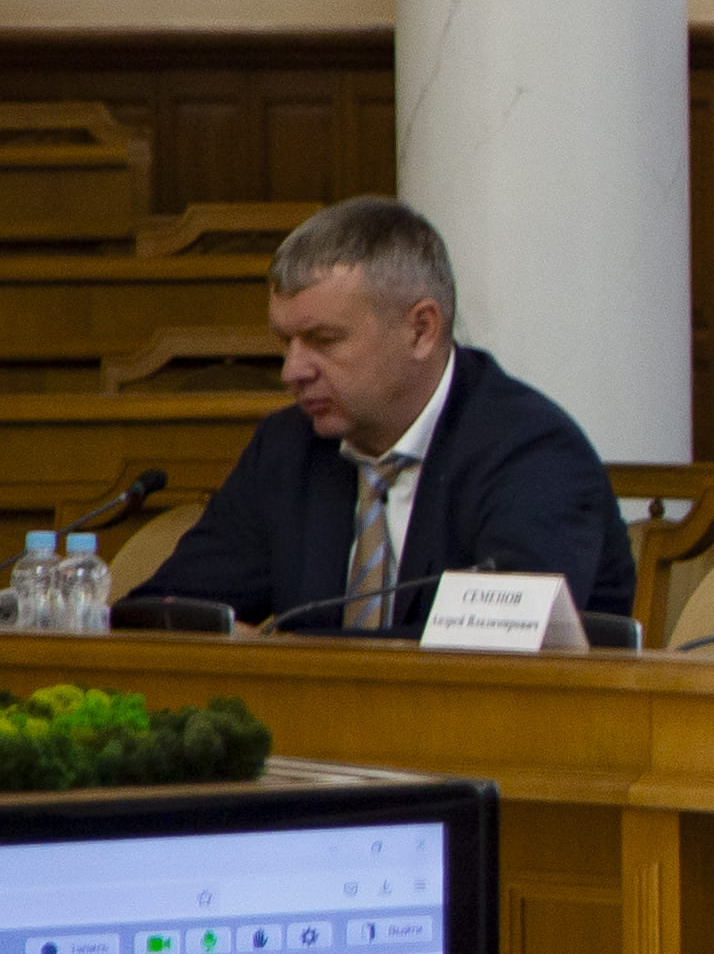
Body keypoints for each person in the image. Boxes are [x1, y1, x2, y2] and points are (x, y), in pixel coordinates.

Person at [135, 197, 632, 632]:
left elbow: (498, 652)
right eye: (286, 343)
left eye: (324, 340)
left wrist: (278, 652)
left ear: (421, 330)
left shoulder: (531, 453)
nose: (293, 371)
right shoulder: (288, 448)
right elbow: (165, 612)